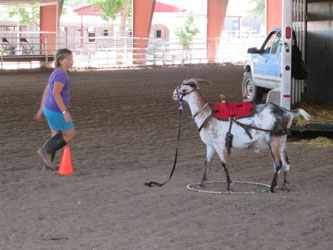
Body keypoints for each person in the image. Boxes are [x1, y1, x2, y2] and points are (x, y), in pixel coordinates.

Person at [34, 48, 76, 170]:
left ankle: (47, 165)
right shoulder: (61, 75)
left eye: (71, 58)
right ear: (60, 61)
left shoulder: (55, 72)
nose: (71, 61)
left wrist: (41, 109)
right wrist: (64, 111)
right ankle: (45, 151)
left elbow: (47, 90)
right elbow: (56, 94)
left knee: (56, 135)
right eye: (68, 59)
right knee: (70, 134)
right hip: (56, 110)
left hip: (49, 108)